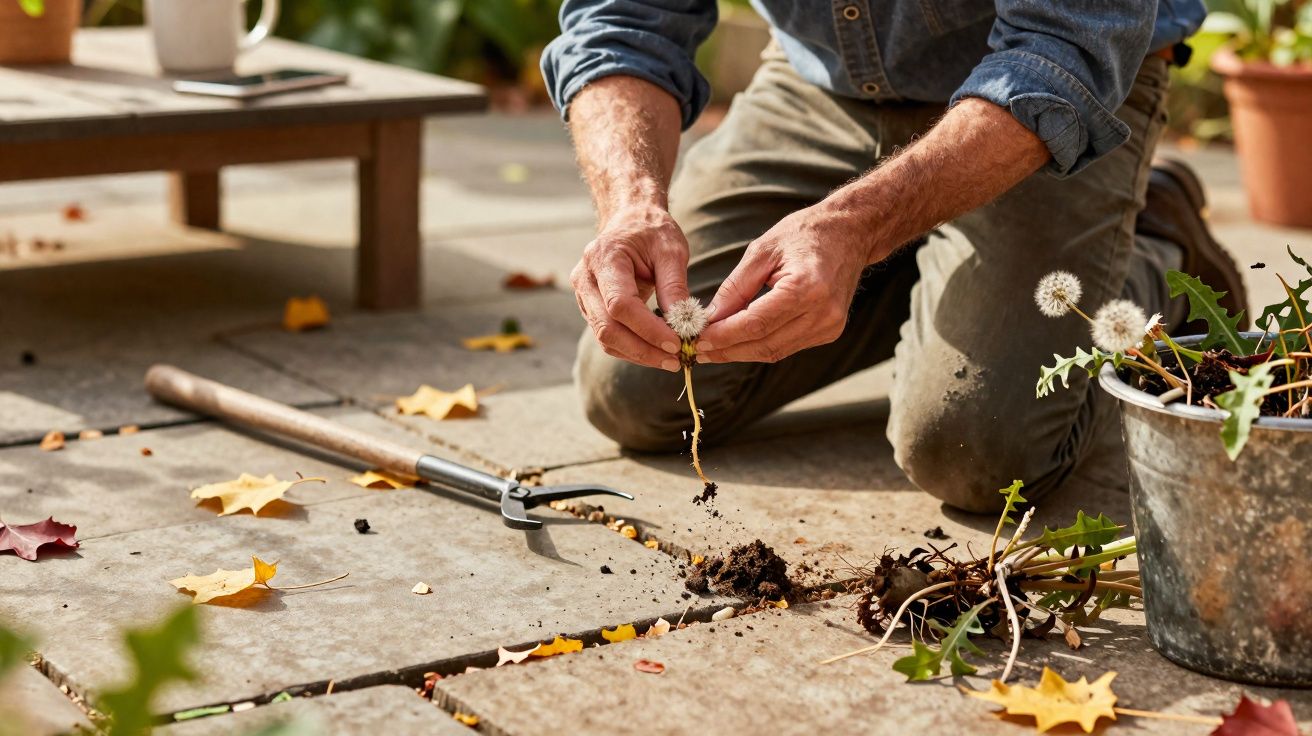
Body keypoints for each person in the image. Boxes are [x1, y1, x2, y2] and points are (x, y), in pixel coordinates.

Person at [541, 1, 1247, 512]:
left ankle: (1160, 251)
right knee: (634, 388)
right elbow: (623, 20)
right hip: (823, 82)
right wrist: (632, 203)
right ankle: (929, 258)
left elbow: (1068, 46)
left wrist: (854, 228)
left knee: (976, 452)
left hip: (1050, 81)